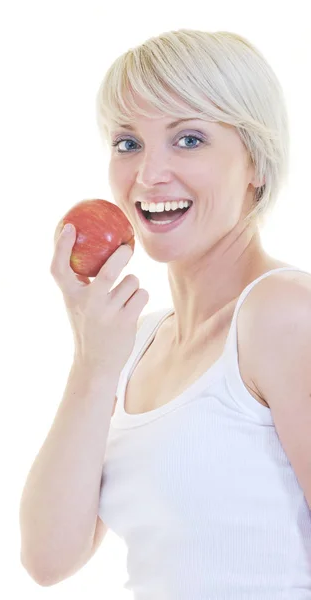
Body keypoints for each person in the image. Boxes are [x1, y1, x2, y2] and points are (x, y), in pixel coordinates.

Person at [19, 29, 311, 597]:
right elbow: (48, 557)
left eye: (189, 139)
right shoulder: (137, 343)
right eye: (128, 143)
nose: (148, 175)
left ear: (255, 161)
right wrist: (92, 364)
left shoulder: (282, 313)